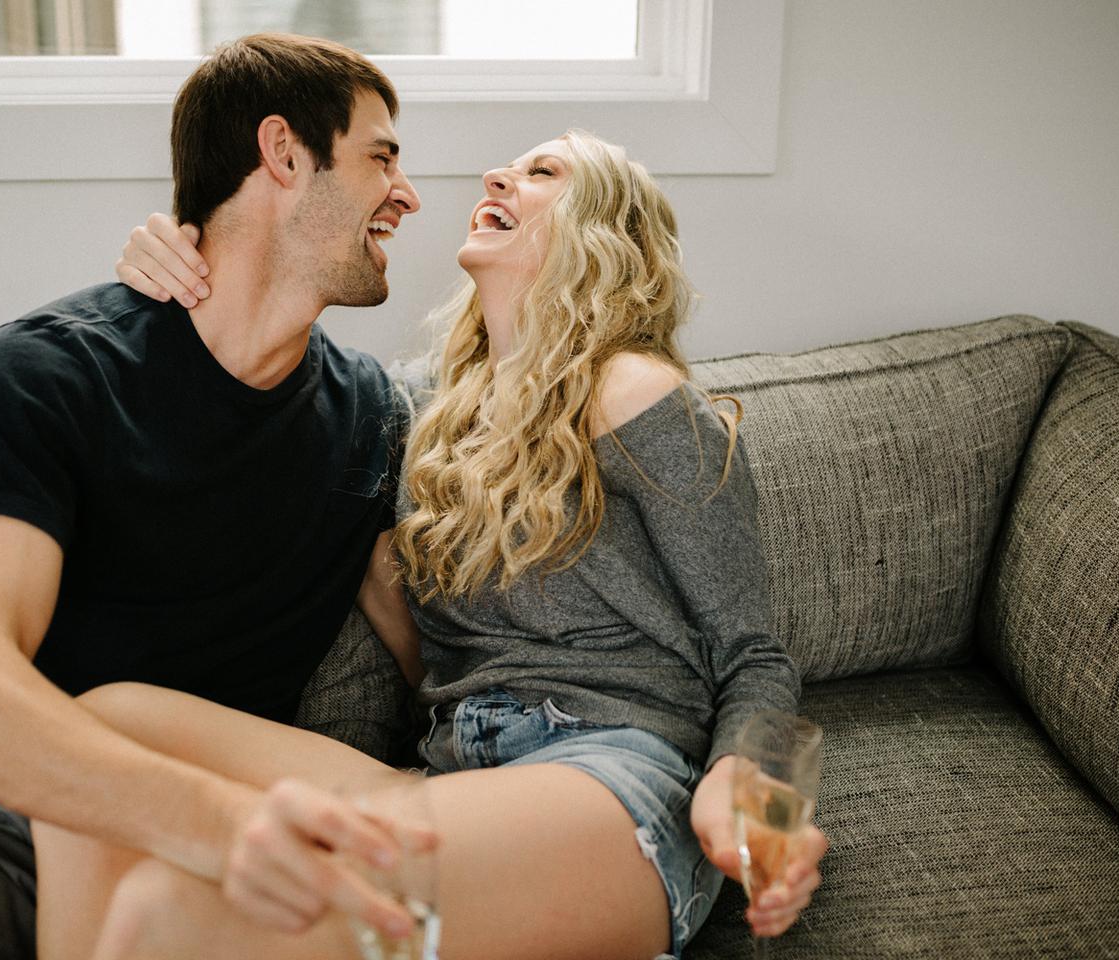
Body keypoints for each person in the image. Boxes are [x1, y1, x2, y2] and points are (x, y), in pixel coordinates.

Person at [52, 129, 829, 960]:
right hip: (455, 768)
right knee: (101, 731)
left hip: (616, 775)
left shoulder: (637, 394)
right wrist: (181, 274)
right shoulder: (417, 409)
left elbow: (752, 654)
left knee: (168, 910)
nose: (495, 175)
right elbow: (258, 382)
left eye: (543, 171)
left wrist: (751, 802)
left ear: (607, 228)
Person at [0, 33, 426, 960]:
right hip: (11, 821)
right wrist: (218, 824)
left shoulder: (371, 416)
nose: (408, 193)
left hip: (219, 867)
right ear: (284, 153)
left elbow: (447, 659)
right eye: (381, 157)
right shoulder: (51, 372)